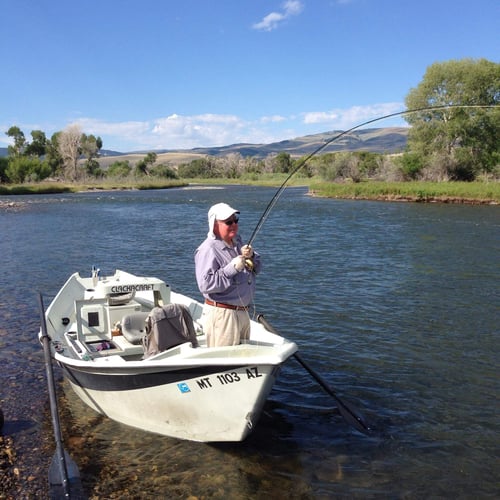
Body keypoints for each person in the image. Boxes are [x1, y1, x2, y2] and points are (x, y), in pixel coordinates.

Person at [195, 202, 261, 347]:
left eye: (235, 220)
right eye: (228, 222)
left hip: (243, 313)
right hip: (223, 316)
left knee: (243, 359)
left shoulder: (237, 242)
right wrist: (232, 268)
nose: (233, 225)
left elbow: (258, 268)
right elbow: (205, 284)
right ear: (214, 225)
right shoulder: (208, 249)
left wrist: (252, 256)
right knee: (225, 360)